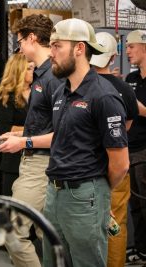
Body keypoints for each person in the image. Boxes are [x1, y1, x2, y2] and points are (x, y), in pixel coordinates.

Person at [43, 18, 129, 266]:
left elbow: (120, 163)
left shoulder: (104, 96)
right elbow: (61, 139)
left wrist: (99, 194)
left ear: (79, 48)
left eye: (57, 45)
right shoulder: (61, 92)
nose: (51, 53)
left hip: (84, 196)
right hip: (54, 193)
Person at [0, 14, 63, 267]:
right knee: (46, 234)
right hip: (34, 162)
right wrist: (19, 134)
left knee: (12, 232)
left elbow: (62, 133)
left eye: (20, 41)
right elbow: (44, 123)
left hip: (41, 166)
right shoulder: (41, 75)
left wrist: (23, 143)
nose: (20, 48)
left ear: (32, 38)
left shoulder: (52, 77)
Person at [90, 31, 139, 267]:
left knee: (85, 225)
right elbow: (125, 129)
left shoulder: (80, 85)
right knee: (115, 224)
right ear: (112, 57)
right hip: (117, 164)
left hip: (87, 167)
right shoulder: (126, 89)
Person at [0, 54, 34, 197]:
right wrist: (38, 129)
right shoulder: (6, 97)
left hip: (35, 159)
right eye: (29, 68)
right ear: (19, 70)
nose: (33, 72)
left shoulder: (38, 93)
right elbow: (6, 130)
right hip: (13, 161)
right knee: (12, 207)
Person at [125, 29, 146, 264]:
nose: (127, 50)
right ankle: (140, 249)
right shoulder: (130, 80)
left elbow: (136, 109)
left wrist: (137, 107)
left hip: (144, 150)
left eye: (131, 46)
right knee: (135, 205)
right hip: (128, 148)